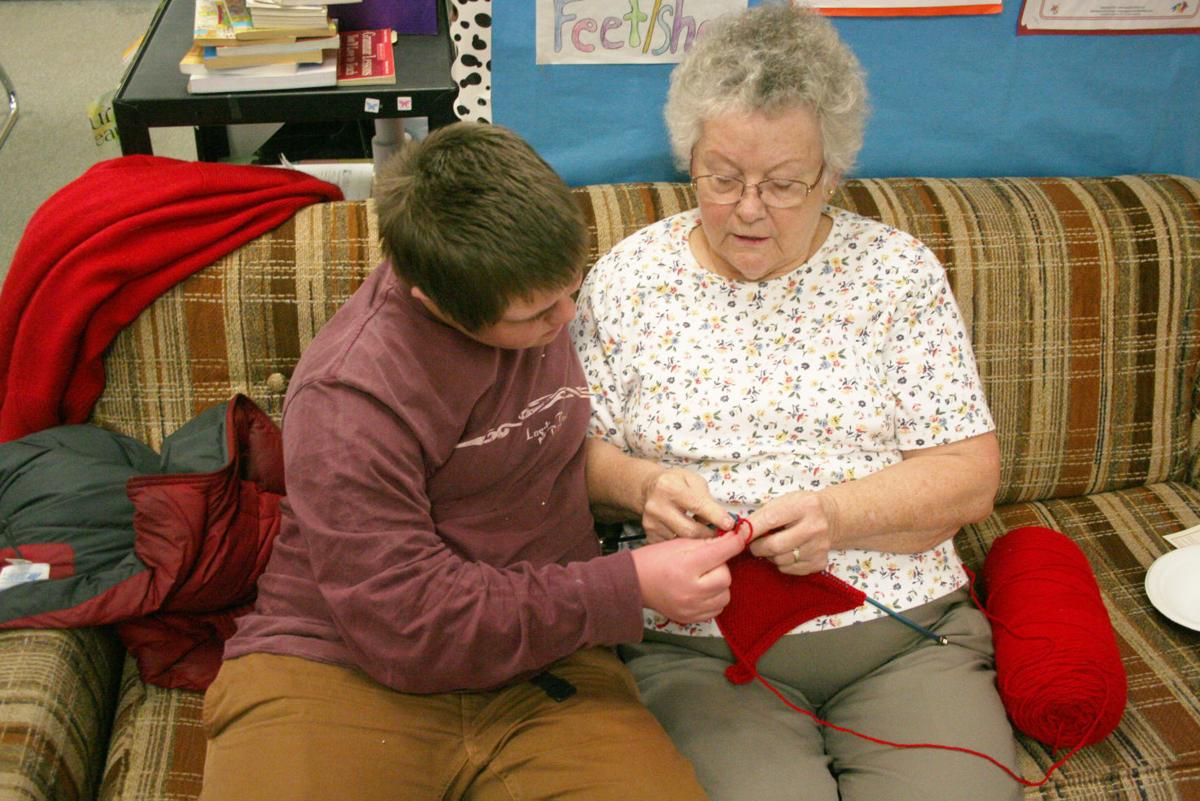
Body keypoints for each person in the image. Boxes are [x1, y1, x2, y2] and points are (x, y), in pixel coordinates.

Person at [198, 122, 745, 801]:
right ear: (432, 301)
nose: (566, 317)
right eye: (539, 313)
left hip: (542, 663)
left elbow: (525, 454)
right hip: (339, 661)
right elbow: (408, 621)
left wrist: (644, 486)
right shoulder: (350, 393)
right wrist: (625, 583)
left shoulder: (527, 289)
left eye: (571, 287)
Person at [569, 6, 1019, 801]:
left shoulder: (896, 275)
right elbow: (574, 458)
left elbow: (968, 473)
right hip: (697, 650)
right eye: (723, 177)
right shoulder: (626, 279)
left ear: (832, 174)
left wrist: (836, 514)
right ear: (690, 158)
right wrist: (642, 487)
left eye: (783, 184)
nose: (749, 208)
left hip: (906, 640)